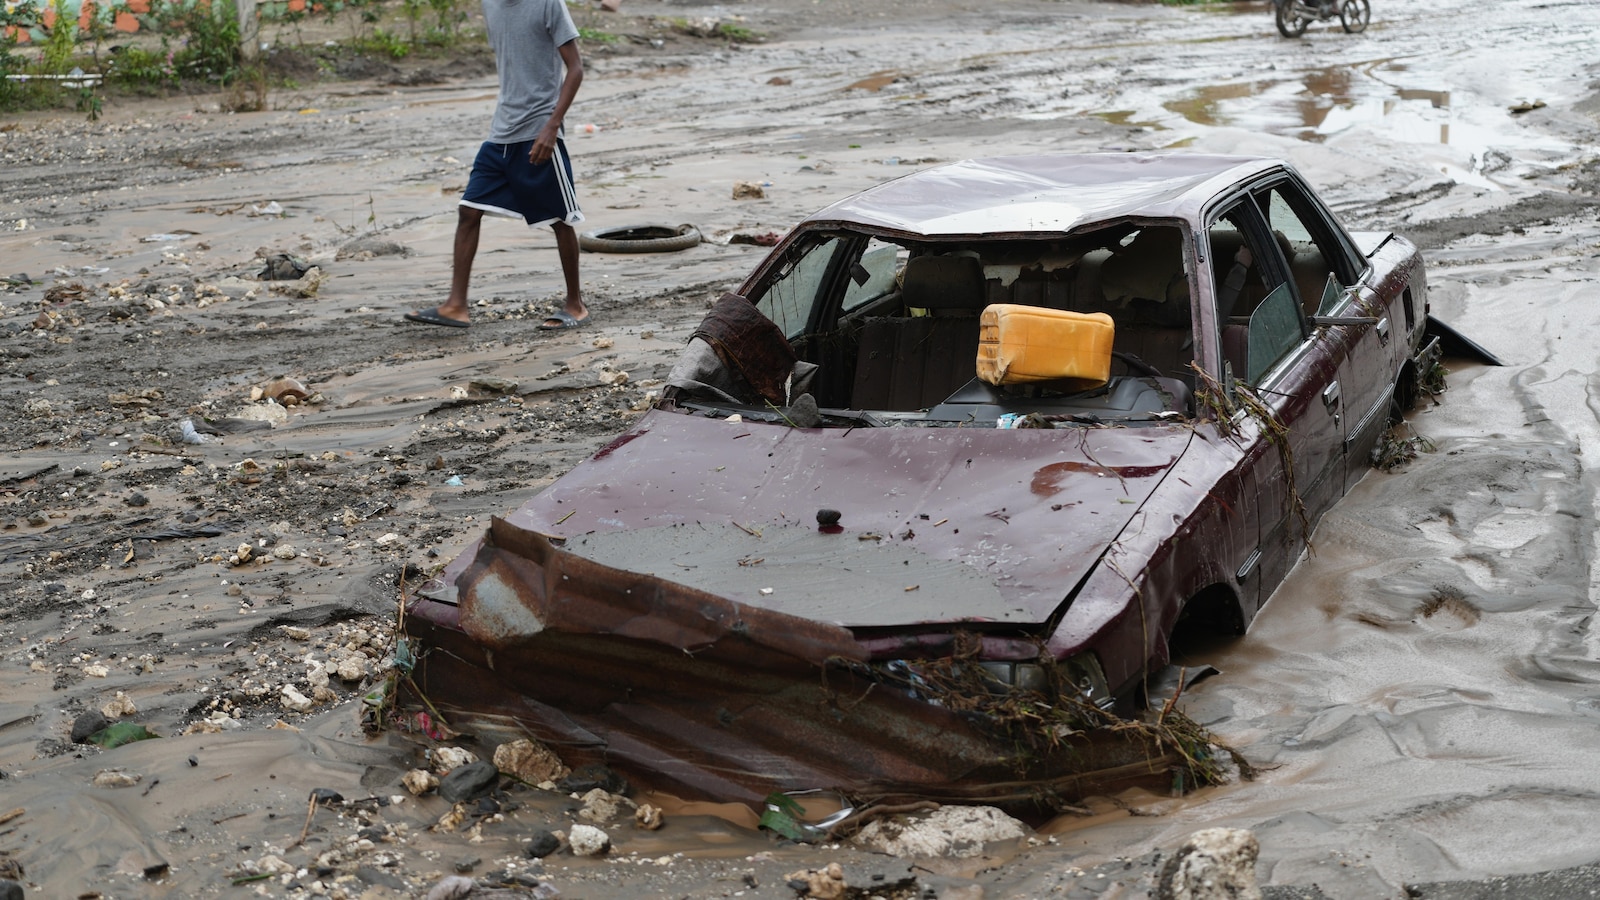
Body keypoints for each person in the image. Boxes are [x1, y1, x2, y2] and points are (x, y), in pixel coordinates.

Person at [405, 0, 589, 330]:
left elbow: (575, 68)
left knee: (560, 220)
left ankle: (575, 305)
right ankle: (455, 306)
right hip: (501, 132)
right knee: (469, 210)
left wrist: (551, 126)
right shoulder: (490, 5)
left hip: (539, 131)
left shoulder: (548, 4)